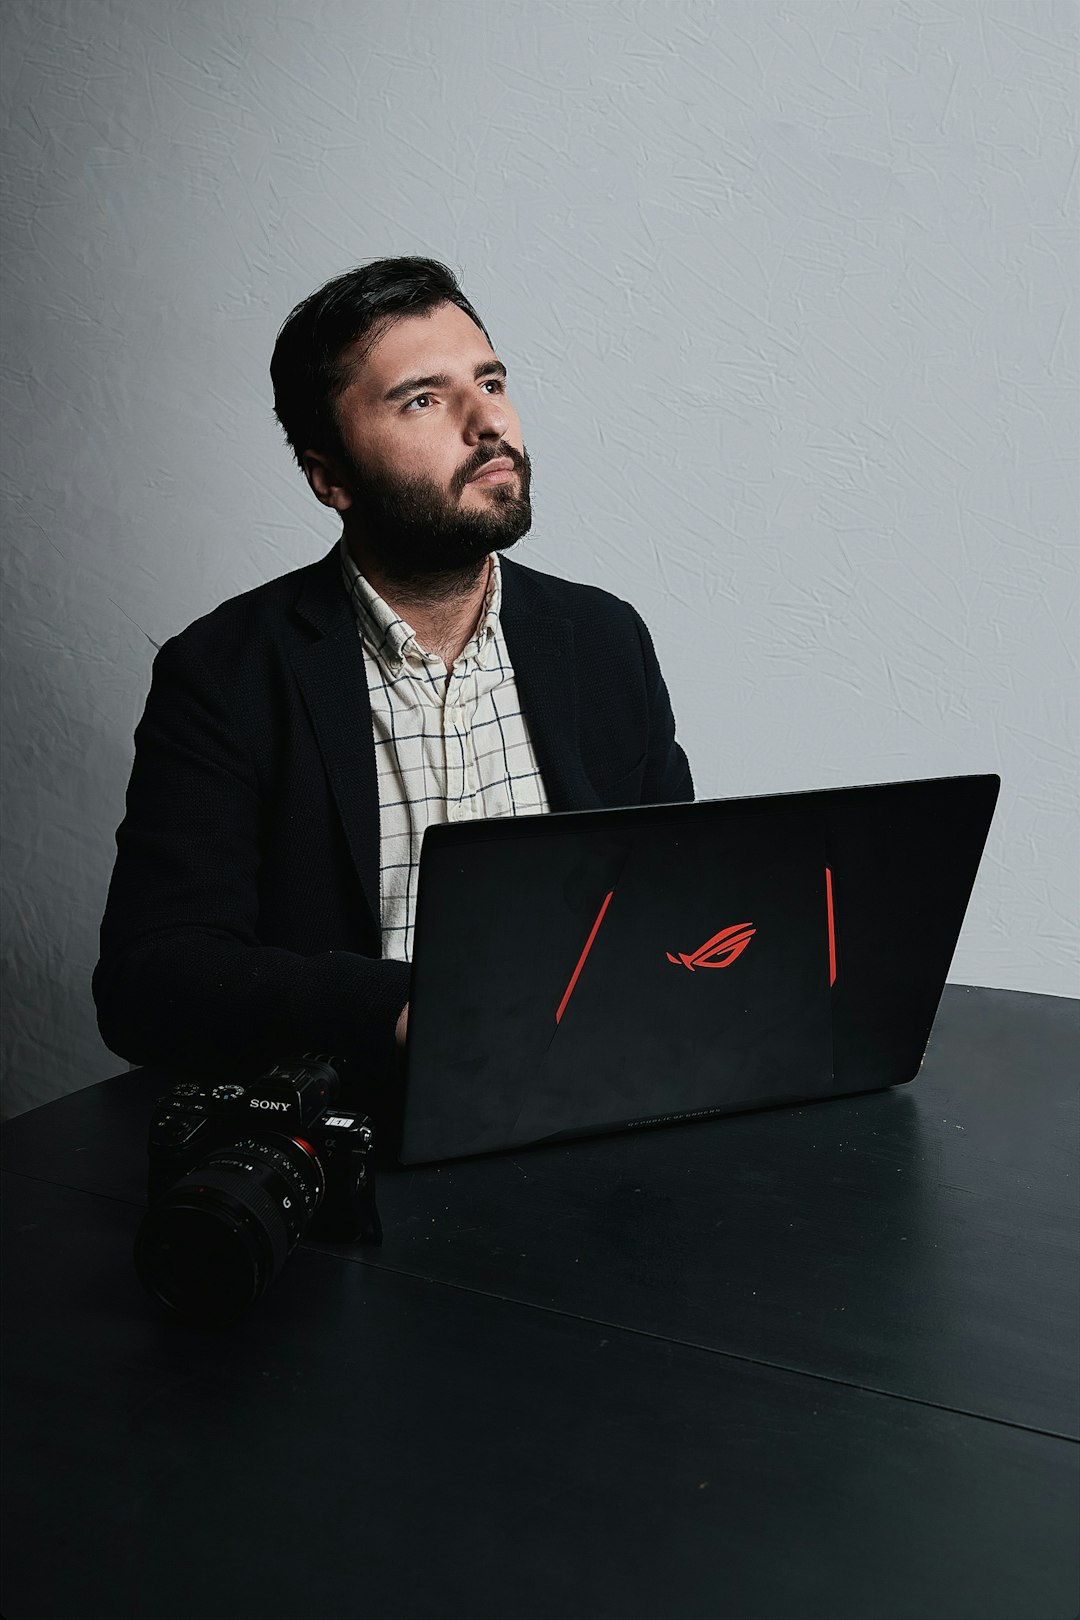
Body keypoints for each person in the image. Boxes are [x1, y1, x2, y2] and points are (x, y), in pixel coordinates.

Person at [93, 257, 693, 1107]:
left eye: (490, 381)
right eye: (423, 399)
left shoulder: (604, 641)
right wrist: (407, 1011)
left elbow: (678, 905)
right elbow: (149, 982)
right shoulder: (224, 675)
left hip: (597, 1117)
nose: (488, 422)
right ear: (329, 476)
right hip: (357, 1152)